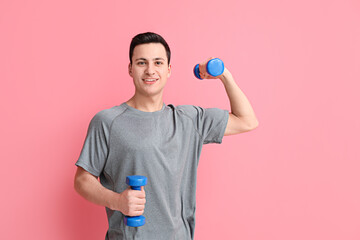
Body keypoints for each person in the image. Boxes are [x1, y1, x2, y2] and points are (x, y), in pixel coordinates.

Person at [74, 32, 258, 240]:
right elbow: (82, 180)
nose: (150, 70)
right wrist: (117, 201)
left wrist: (224, 75)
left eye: (158, 62)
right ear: (130, 69)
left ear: (169, 70)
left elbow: (247, 120)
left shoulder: (189, 120)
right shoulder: (107, 121)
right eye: (142, 62)